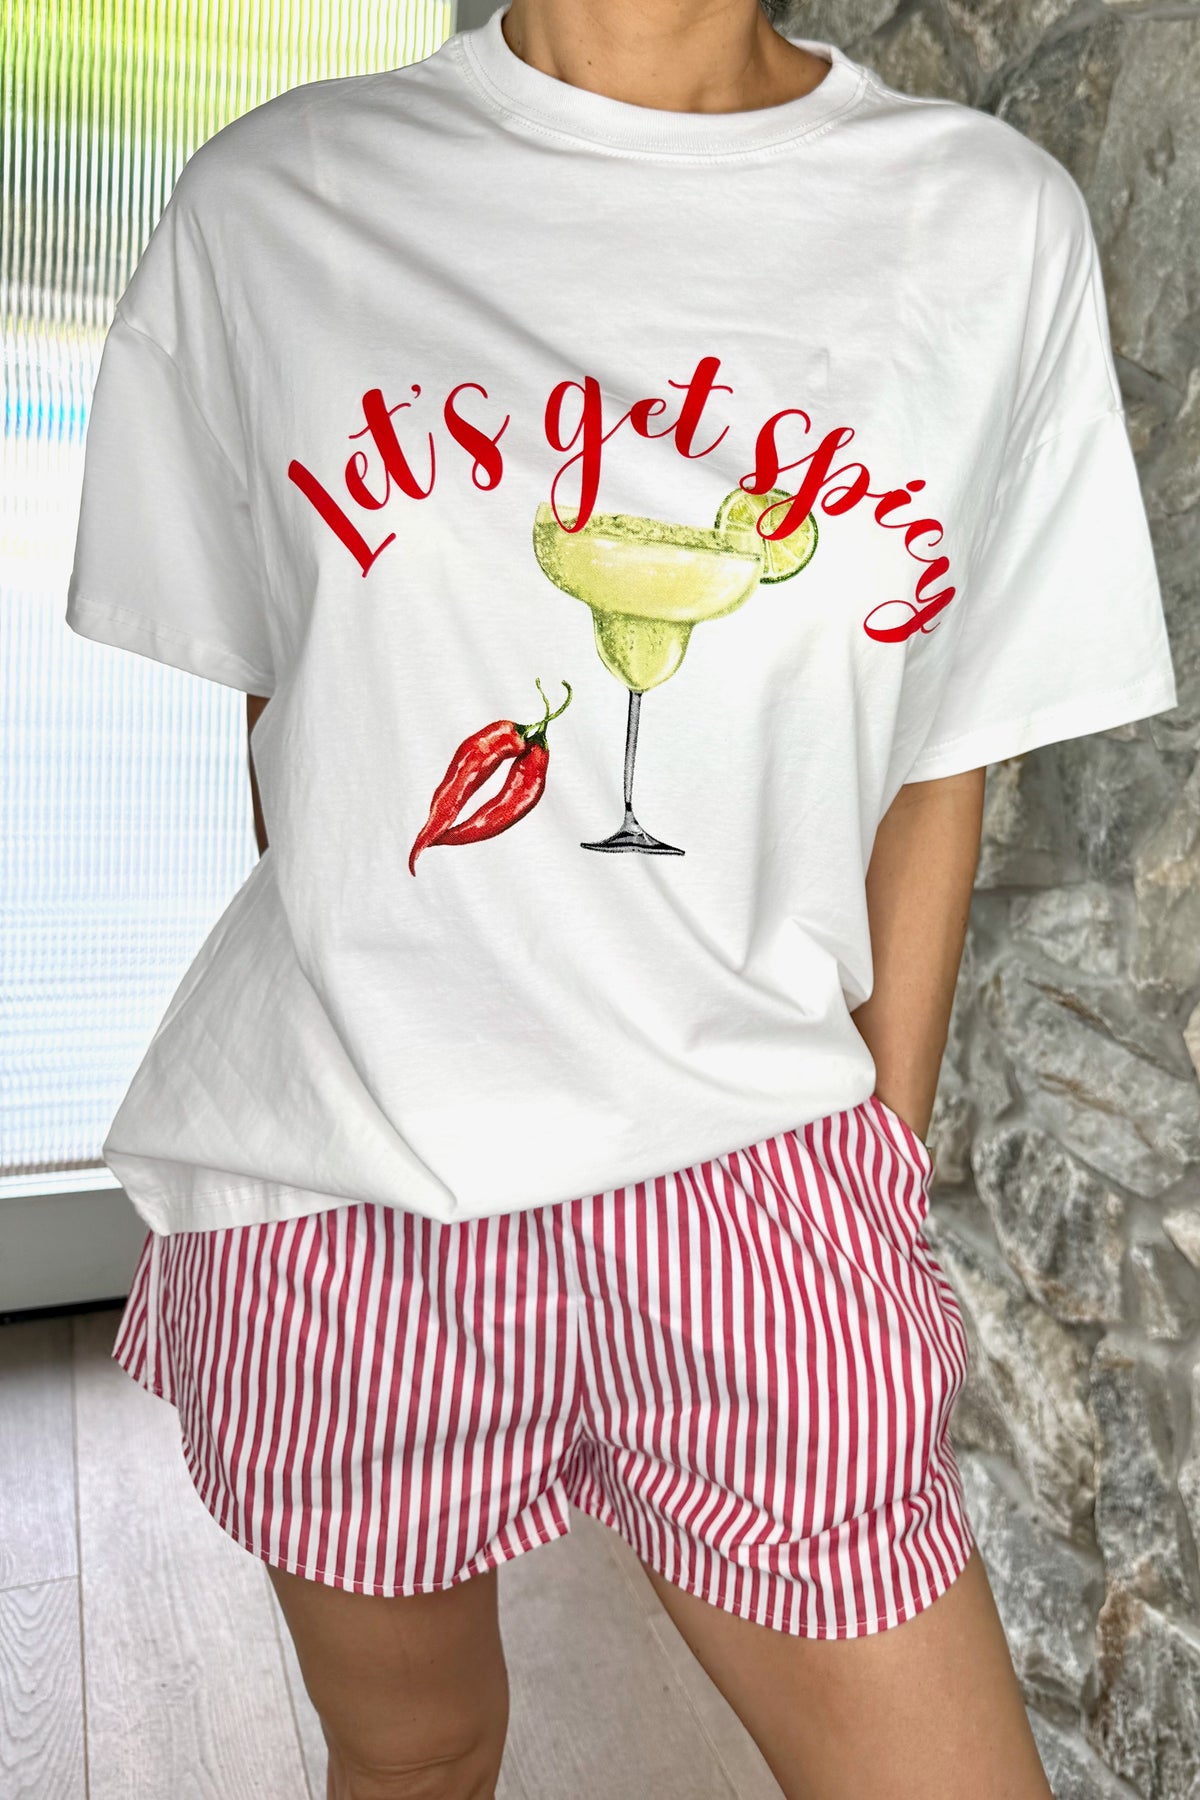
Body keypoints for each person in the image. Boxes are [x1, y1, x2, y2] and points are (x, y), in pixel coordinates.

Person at [65, 0, 1176, 1795]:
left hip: (760, 1189)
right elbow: (296, 727)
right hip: (350, 1197)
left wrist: (876, 1155)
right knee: (415, 1761)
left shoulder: (984, 223)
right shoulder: (277, 205)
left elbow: (943, 752)